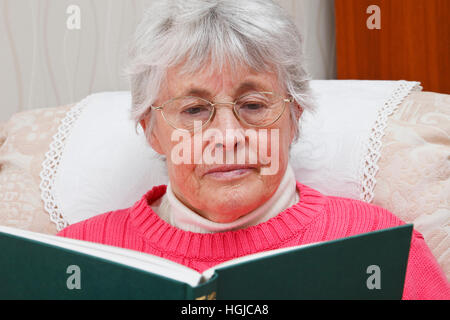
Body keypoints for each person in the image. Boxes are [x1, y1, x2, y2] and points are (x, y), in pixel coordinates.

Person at [57, 0, 449, 299]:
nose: (227, 136)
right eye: (194, 110)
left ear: (294, 116)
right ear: (151, 130)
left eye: (253, 105)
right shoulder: (74, 257)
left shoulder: (383, 248)